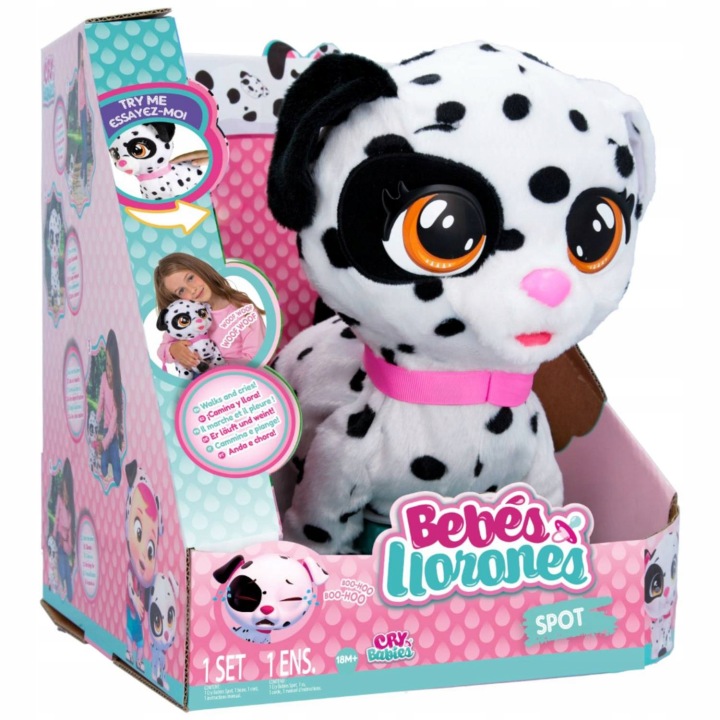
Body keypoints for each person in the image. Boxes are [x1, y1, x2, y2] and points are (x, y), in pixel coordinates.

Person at [154, 253, 266, 371]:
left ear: (200, 270)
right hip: (203, 380)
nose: (192, 290)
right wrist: (174, 350)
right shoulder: (186, 319)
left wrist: (212, 369)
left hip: (239, 377)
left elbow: (255, 360)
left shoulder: (244, 311)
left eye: (190, 278)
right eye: (181, 290)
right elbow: (162, 351)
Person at [96, 330, 124, 485]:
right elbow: (100, 399)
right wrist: (97, 418)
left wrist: (105, 442)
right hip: (105, 429)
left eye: (111, 368)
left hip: (113, 435)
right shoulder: (103, 378)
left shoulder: (117, 391)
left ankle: (117, 482)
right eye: (107, 366)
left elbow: (114, 421)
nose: (108, 372)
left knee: (116, 468)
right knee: (103, 466)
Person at [54, 460, 75, 602]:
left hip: (66, 540)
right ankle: (66, 594)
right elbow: (58, 519)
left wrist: (69, 542)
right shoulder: (61, 500)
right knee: (64, 568)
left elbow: (68, 525)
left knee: (65, 568)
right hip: (62, 539)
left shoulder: (69, 504)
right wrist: (56, 536)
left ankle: (68, 595)